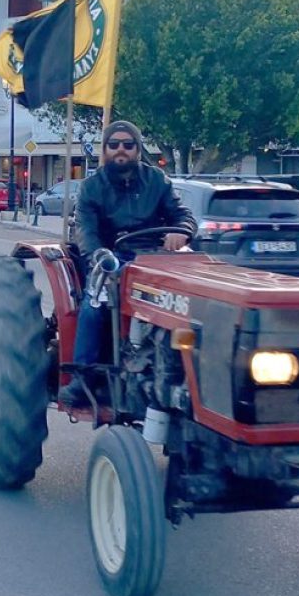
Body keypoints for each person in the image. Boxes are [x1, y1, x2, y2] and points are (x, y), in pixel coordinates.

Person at [59, 120, 196, 407]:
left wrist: (180, 230)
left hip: (153, 258)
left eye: (128, 144)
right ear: (106, 150)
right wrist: (100, 257)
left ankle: (186, 373)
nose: (121, 149)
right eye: (114, 144)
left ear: (137, 149)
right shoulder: (92, 187)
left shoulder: (157, 180)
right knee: (95, 304)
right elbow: (86, 232)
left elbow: (184, 215)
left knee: (192, 302)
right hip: (110, 257)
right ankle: (82, 378)